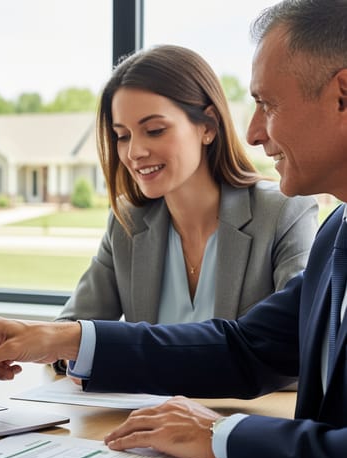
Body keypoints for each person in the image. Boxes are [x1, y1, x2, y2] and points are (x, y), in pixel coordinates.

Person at [0, 0, 346, 458]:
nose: (255, 132)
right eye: (123, 136)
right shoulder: (338, 234)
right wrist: (63, 337)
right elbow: (244, 348)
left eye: (269, 105)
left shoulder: (292, 215)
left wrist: (223, 436)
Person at [52, 44, 317, 376]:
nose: (134, 152)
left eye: (155, 131)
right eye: (122, 136)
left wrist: (102, 353)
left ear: (207, 126)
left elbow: (299, 343)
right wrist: (69, 354)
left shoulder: (282, 212)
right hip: (142, 420)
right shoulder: (128, 221)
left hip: (238, 421)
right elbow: (72, 326)